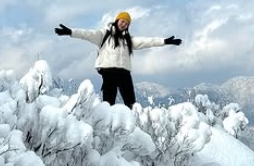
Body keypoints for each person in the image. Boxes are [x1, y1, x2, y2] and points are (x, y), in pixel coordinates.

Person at [54, 11, 182, 108]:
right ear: (117, 20)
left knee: (131, 102)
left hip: (124, 73)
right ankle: (107, 128)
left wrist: (165, 41)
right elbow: (87, 34)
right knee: (108, 103)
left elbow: (147, 41)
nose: (124, 24)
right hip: (108, 71)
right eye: (123, 21)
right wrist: (70, 31)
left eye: (127, 23)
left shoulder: (128, 40)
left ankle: (130, 128)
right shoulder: (104, 34)